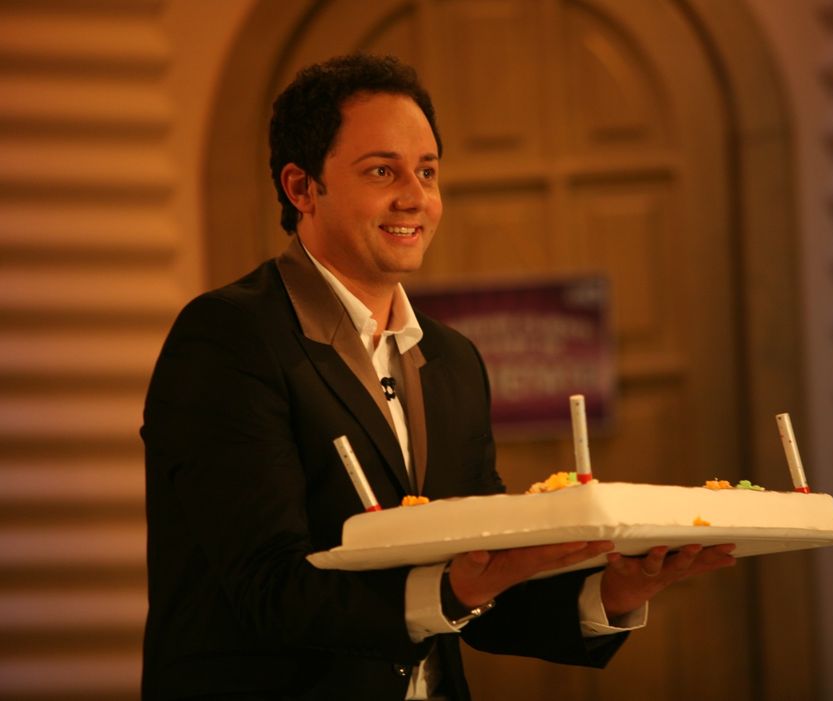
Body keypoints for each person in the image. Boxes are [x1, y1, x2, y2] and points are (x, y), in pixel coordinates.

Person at [140, 53, 735, 700]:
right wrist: (454, 588)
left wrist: (615, 590)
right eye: (382, 171)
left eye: (427, 171)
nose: (415, 197)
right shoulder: (229, 337)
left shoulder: (452, 360)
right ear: (301, 187)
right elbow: (268, 587)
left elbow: (485, 597)